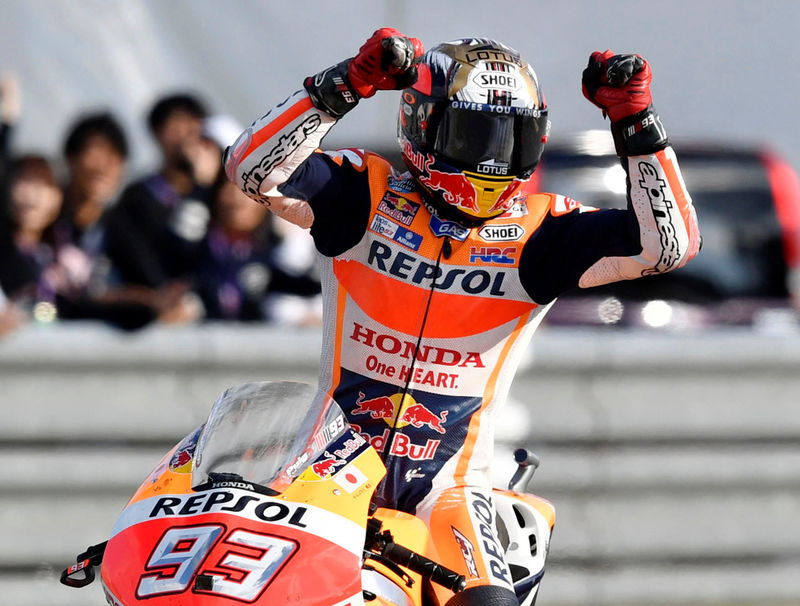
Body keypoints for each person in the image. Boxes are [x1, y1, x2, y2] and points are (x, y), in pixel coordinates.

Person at [224, 29, 700, 605]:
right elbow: (251, 168)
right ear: (424, 123)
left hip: (453, 488)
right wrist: (346, 83)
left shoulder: (541, 232)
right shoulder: (366, 194)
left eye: (515, 138)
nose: (494, 158)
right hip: (326, 470)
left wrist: (635, 122)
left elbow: (666, 246)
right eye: (476, 132)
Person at [103, 93, 217, 324]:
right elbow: (137, 257)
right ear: (158, 135)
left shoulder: (221, 195)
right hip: (158, 314)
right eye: (176, 126)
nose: (187, 136)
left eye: (194, 126)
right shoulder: (137, 198)